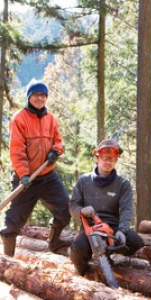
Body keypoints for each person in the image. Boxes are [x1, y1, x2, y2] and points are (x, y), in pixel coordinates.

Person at [0, 79, 72, 257]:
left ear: (46, 97)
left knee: (64, 210)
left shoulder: (50, 119)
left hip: (47, 176)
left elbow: (58, 140)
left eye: (42, 95)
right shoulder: (19, 119)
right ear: (29, 97)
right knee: (12, 224)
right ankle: (7, 262)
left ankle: (54, 243)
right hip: (25, 179)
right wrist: (24, 174)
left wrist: (56, 150)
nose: (39, 98)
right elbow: (17, 151)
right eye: (35, 95)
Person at [69, 139, 144, 276]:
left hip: (113, 227)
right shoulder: (83, 181)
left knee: (135, 242)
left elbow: (127, 210)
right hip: (90, 229)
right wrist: (81, 211)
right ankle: (83, 271)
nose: (108, 162)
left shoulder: (123, 184)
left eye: (112, 159)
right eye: (105, 158)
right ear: (97, 158)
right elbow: (73, 206)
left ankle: (108, 256)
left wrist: (122, 229)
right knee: (78, 250)